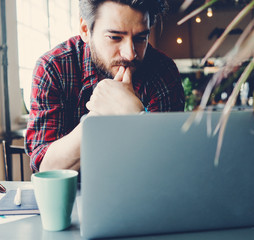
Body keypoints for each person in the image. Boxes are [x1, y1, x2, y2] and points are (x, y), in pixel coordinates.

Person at [25, 0, 185, 172]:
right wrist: (97, 116)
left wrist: (135, 115)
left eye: (141, 38)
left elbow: (169, 165)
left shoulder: (162, 70)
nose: (130, 54)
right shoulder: (53, 67)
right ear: (85, 30)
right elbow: (46, 168)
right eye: (115, 37)